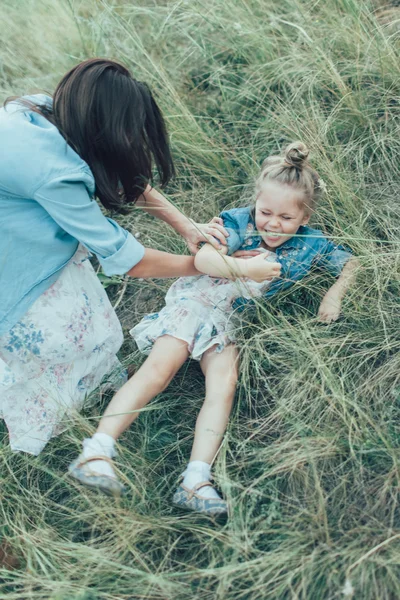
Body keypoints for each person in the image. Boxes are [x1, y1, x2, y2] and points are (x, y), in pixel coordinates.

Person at [68, 142, 359, 515]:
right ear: (256, 201)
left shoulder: (311, 243)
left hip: (231, 320)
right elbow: (203, 257)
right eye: (266, 211)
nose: (272, 223)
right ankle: (96, 451)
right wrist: (244, 269)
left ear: (304, 217)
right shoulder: (239, 221)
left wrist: (333, 295)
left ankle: (196, 479)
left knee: (223, 387)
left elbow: (352, 263)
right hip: (198, 304)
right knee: (159, 369)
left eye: (285, 218)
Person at [0, 58, 233, 456]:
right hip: (14, 261)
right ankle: (51, 413)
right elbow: (126, 258)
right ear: (104, 127)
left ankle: (89, 383)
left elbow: (119, 173)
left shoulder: (45, 109)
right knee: (60, 338)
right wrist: (204, 266)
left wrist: (186, 227)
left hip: (20, 233)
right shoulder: (53, 172)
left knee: (92, 324)